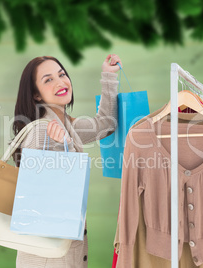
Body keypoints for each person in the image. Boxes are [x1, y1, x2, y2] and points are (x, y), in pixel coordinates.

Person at [10, 54, 122, 267]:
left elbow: (106, 124)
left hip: (63, 254)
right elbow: (41, 194)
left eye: (62, 74)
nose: (60, 82)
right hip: (48, 259)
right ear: (36, 95)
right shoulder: (43, 130)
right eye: (48, 79)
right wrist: (66, 146)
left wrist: (108, 76)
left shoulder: (64, 125)